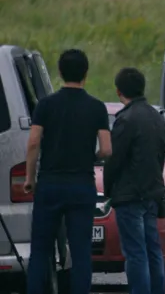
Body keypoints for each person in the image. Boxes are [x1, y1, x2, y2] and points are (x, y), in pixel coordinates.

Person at [24, 49, 112, 294]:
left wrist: (30, 179)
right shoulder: (96, 107)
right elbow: (106, 149)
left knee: (40, 250)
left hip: (50, 183)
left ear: (60, 72)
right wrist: (89, 157)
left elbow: (33, 143)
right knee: (81, 250)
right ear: (86, 74)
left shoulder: (45, 105)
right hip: (82, 185)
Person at [104, 68, 165, 294]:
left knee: (135, 253)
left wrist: (109, 189)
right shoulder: (156, 117)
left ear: (119, 91)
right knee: (153, 251)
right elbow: (161, 154)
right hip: (152, 193)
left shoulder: (125, 120)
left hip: (129, 196)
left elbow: (114, 159)